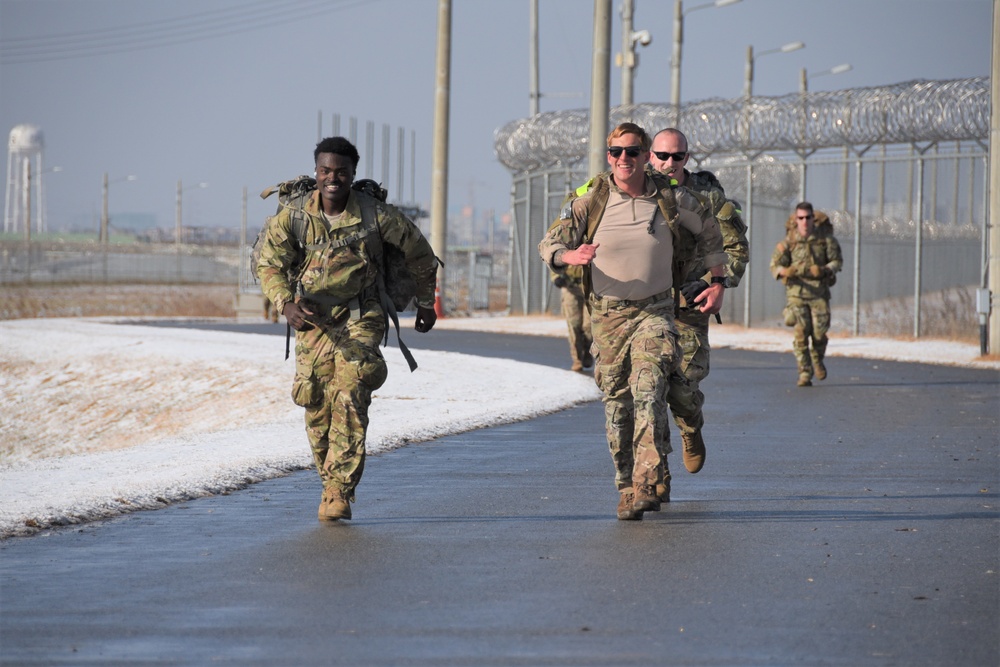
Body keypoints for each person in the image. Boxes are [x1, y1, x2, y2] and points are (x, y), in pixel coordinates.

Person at [538, 122, 727, 521]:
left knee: (649, 389)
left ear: (645, 156)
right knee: (618, 404)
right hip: (607, 316)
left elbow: (712, 233)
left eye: (633, 151)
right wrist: (568, 256)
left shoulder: (670, 198)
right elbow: (549, 242)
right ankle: (626, 485)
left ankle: (647, 482)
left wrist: (719, 282)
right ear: (609, 156)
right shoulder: (591, 200)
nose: (625, 158)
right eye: (616, 152)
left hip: (656, 311)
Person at [256, 136, 439, 521]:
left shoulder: (375, 215)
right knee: (316, 402)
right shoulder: (296, 216)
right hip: (310, 318)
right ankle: (329, 483)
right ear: (317, 172)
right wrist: (285, 303)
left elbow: (420, 253)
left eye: (341, 172)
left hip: (361, 314)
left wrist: (425, 302)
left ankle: (339, 490)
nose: (332, 178)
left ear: (353, 174)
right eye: (325, 171)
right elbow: (269, 263)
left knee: (353, 388)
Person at [647, 128, 749, 499]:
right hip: (644, 305)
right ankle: (655, 474)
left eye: (677, 157)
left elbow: (735, 249)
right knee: (648, 390)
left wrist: (714, 283)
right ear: (649, 155)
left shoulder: (708, 197)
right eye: (661, 155)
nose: (668, 164)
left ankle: (690, 426)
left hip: (688, 306)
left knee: (682, 386)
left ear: (687, 158)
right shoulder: (635, 191)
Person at [769, 202, 842, 387]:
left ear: (813, 219)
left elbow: (837, 261)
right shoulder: (788, 242)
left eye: (808, 217)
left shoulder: (825, 240)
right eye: (800, 218)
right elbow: (775, 266)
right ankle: (804, 372)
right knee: (801, 333)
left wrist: (824, 269)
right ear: (796, 219)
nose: (804, 222)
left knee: (819, 333)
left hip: (819, 293)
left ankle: (817, 359)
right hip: (797, 294)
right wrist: (787, 271)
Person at [549, 263, 594, 372]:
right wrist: (555, 277)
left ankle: (587, 350)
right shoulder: (568, 244)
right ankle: (577, 359)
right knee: (574, 325)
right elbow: (555, 256)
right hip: (570, 286)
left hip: (591, 287)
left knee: (589, 326)